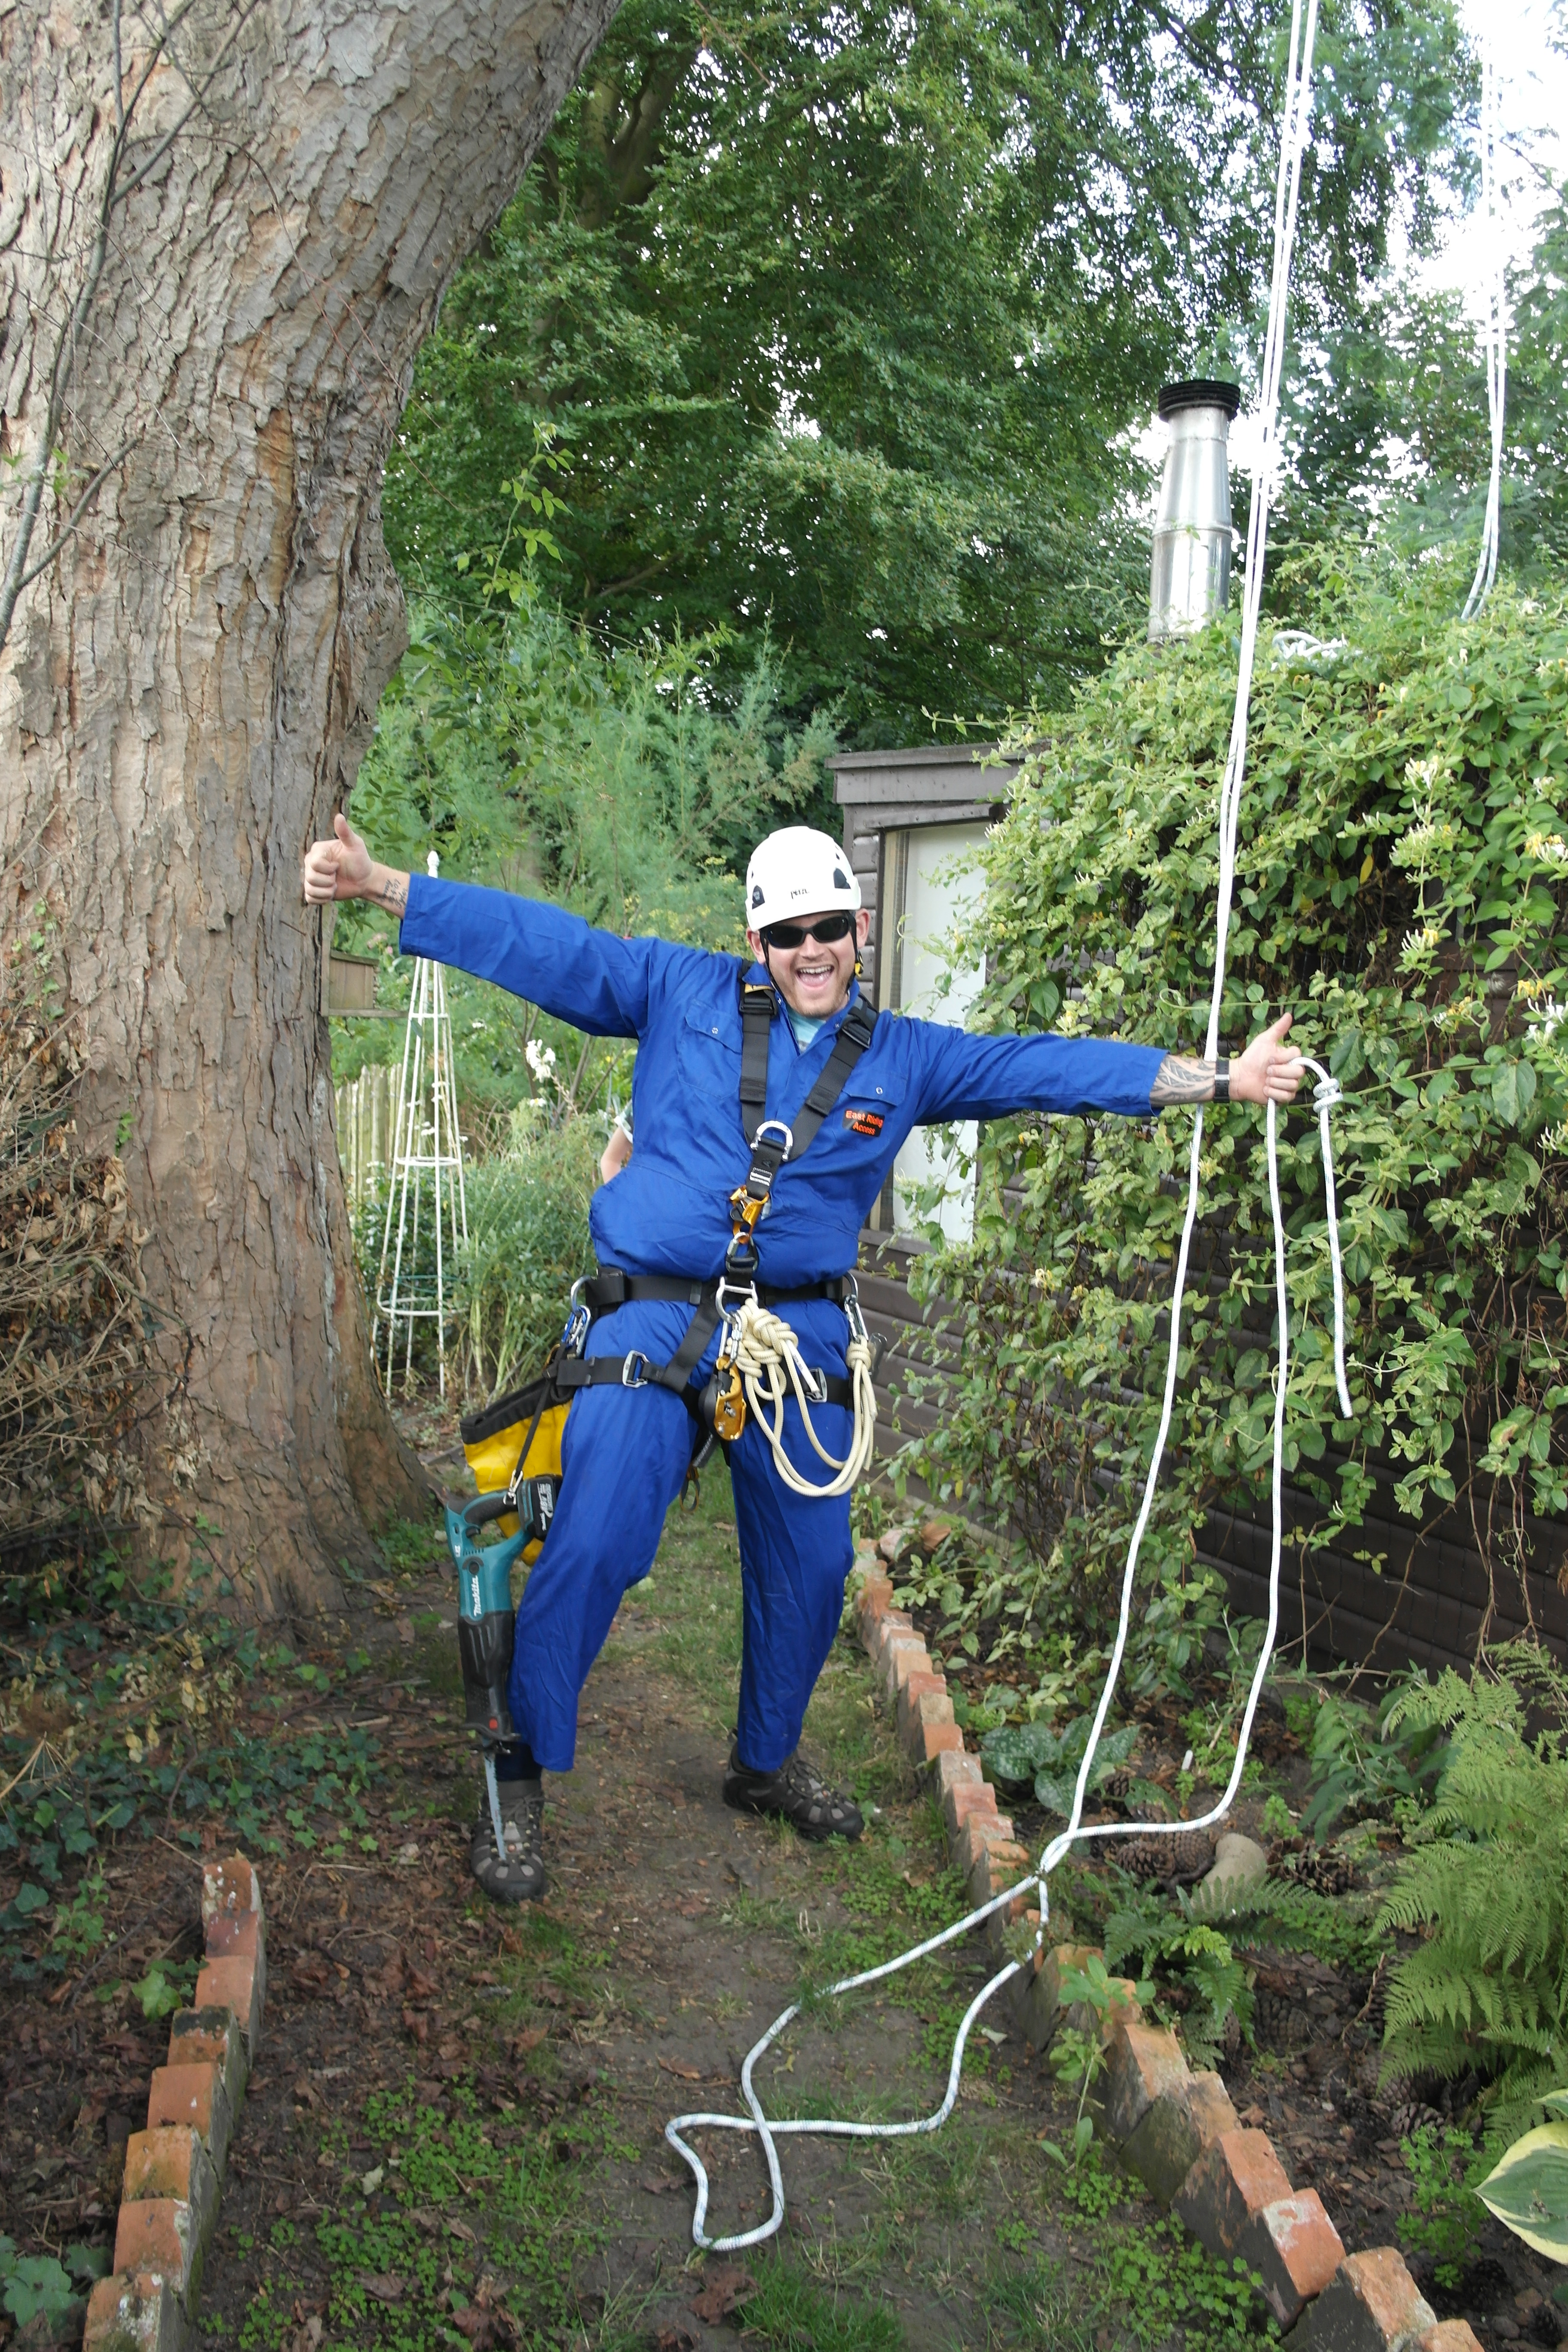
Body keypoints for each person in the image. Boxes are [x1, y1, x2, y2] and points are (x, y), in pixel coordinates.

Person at [302, 815, 1304, 1903]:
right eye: (789, 935)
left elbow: (1036, 1067)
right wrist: (382, 885)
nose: (811, 951)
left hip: (798, 1336)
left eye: (830, 928)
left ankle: (766, 1761)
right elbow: (549, 946)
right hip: (651, 1313)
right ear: (756, 938)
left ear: (861, 928)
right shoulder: (674, 990)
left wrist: (1219, 1082)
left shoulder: (908, 1057)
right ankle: (524, 1763)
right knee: (597, 1533)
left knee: (814, 1563)